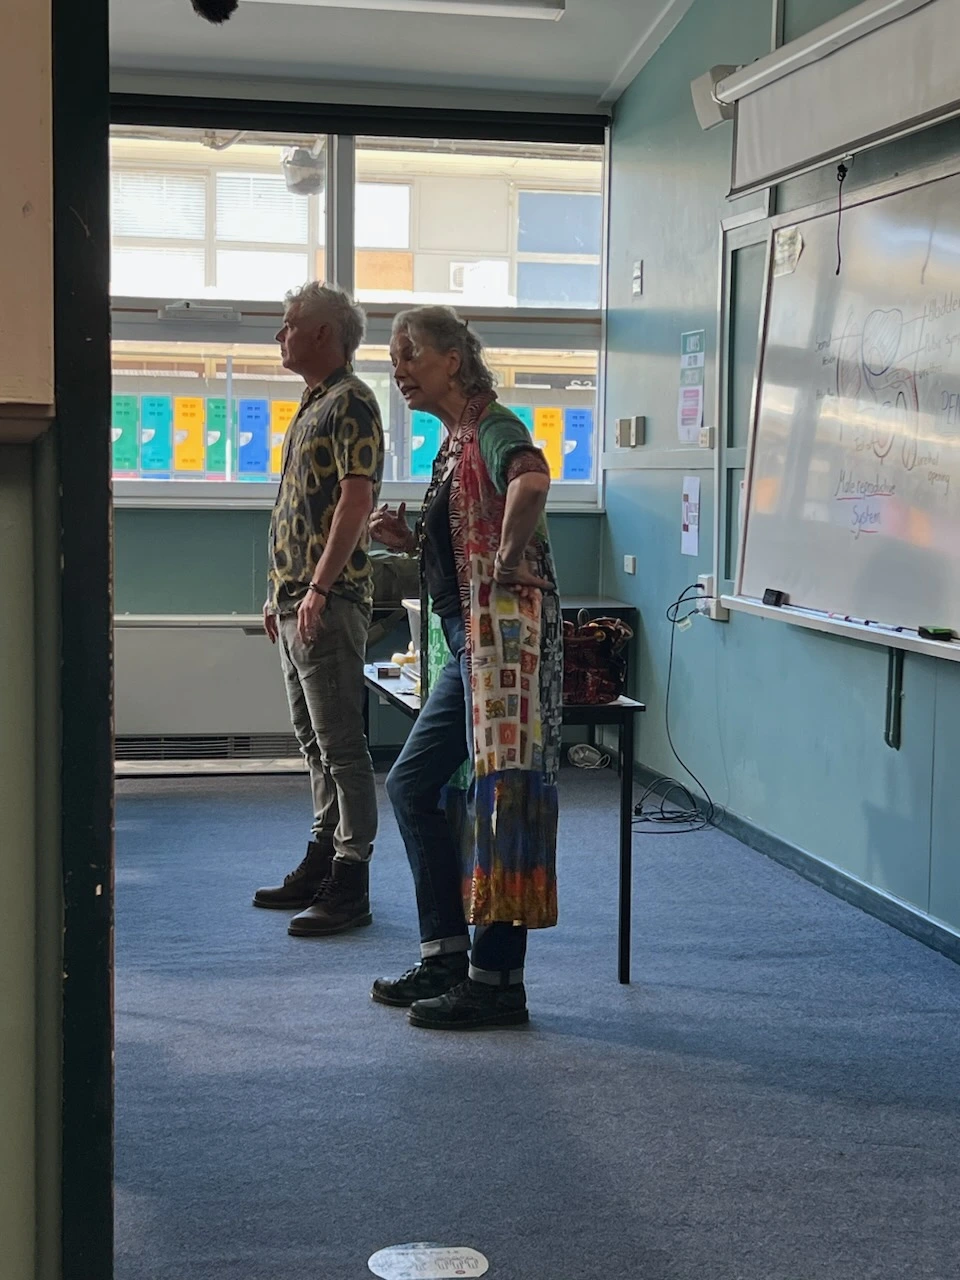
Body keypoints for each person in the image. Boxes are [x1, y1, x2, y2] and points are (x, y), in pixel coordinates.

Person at [369, 305, 562, 1030]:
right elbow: (462, 535)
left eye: (409, 352)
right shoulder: (451, 443)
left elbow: (532, 482)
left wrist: (511, 557)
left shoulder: (491, 425)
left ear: (453, 358)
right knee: (422, 785)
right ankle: (448, 953)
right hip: (468, 641)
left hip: (506, 646)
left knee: (497, 799)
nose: (399, 368)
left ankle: (496, 980)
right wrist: (407, 538)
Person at [253, 283, 384, 937]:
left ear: (323, 334)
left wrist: (319, 589)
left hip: (326, 601)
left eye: (288, 325)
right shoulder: (313, 404)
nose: (280, 335)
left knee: (341, 746)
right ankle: (322, 854)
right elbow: (296, 509)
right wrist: (280, 591)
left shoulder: (352, 402)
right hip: (297, 598)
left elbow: (355, 504)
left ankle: (351, 879)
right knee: (312, 743)